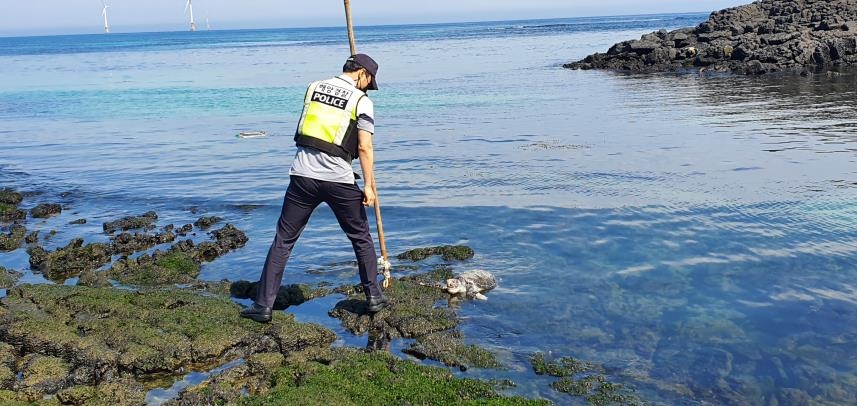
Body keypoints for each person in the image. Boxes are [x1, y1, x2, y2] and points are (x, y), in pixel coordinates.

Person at [240, 54, 388, 323]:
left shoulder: (313, 87)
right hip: (339, 180)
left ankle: (263, 306)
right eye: (369, 82)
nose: (368, 88)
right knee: (360, 238)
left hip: (303, 177)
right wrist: (369, 186)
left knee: (283, 241)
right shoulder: (362, 101)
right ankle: (374, 297)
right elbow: (365, 146)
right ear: (362, 75)